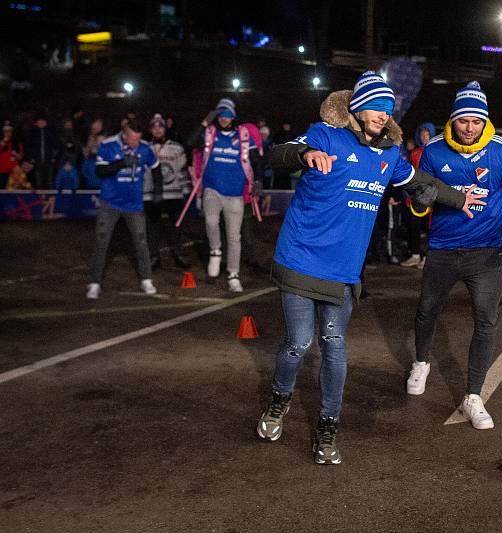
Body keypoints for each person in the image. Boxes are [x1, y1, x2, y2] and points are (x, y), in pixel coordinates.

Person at [256, 71, 484, 463]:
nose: (383, 115)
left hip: (343, 270)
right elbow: (278, 154)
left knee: (335, 346)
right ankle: (279, 401)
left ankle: (328, 426)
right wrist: (304, 155)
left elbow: (419, 183)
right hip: (301, 257)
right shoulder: (326, 133)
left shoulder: (390, 155)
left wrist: (457, 198)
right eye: (376, 108)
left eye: (388, 109)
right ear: (357, 108)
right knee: (298, 343)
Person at [406, 81, 502, 430]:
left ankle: (473, 395)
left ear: (484, 122)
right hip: (443, 249)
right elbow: (418, 200)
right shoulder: (433, 151)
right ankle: (421, 362)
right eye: (464, 120)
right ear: (453, 120)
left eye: (476, 121)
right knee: (427, 309)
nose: (469, 127)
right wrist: (419, 204)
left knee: (486, 319)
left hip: (486, 251)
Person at [186, 98, 263, 292]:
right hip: (212, 189)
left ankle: (233, 274)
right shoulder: (210, 134)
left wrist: (259, 181)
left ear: (234, 116)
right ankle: (215, 251)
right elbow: (189, 142)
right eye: (221, 114)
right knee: (211, 222)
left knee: (234, 237)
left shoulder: (243, 136)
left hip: (235, 193)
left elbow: (257, 160)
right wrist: (207, 119)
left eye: (228, 115)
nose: (224, 119)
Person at [86, 120, 162, 299]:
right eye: (132, 139)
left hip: (134, 204)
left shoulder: (144, 148)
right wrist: (121, 163)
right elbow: (100, 171)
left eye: (138, 139)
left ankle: (146, 279)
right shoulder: (108, 145)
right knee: (101, 242)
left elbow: (156, 168)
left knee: (141, 242)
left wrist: (158, 192)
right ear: (125, 135)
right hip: (110, 203)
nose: (135, 143)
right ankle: (95, 282)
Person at [144, 114, 191, 270]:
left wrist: (186, 190)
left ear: (165, 128)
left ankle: (178, 253)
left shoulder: (177, 147)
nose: (157, 129)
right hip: (151, 194)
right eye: (154, 126)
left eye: (160, 126)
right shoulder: (145, 147)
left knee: (177, 225)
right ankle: (154, 256)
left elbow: (182, 169)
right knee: (152, 226)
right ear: (151, 130)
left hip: (173, 193)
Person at [401, 122, 436, 268]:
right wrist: (407, 194)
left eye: (427, 133)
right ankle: (415, 255)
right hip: (416, 196)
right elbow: (409, 175)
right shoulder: (414, 153)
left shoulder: (437, 151)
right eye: (421, 134)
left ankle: (428, 257)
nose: (424, 136)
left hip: (432, 196)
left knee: (431, 227)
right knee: (413, 226)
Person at [24, 113, 60, 189]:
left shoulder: (51, 131)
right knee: (38, 182)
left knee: (49, 182)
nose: (41, 123)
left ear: (46, 122)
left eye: (43, 121)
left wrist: (54, 157)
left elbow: (57, 145)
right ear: (36, 123)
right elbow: (28, 146)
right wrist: (31, 158)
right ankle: (39, 200)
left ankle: (50, 200)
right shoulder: (32, 132)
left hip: (49, 160)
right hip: (37, 161)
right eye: (39, 121)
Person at [0, 122, 24, 189]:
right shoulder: (1, 141)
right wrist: (3, 142)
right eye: (5, 131)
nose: (7, 133)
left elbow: (20, 157)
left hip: (13, 172)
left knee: (13, 190)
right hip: (1, 171)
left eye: (9, 131)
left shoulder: (17, 142)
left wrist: (16, 154)